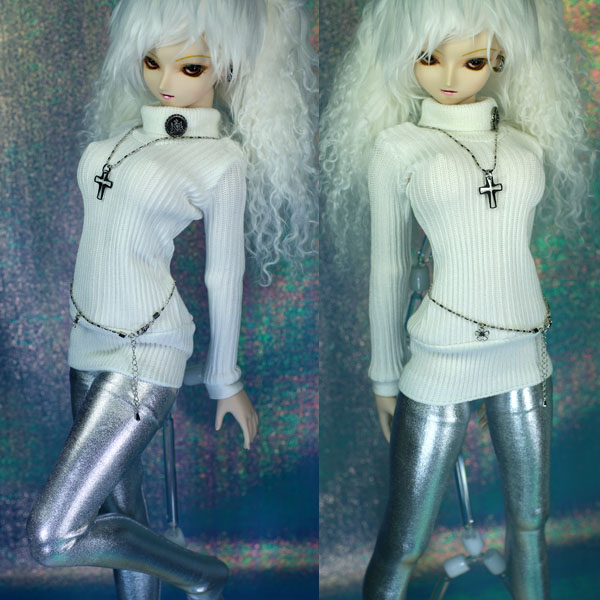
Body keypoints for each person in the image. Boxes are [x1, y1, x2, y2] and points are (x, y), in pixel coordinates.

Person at [26, 1, 317, 599]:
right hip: (86, 342)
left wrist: (225, 379)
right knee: (123, 514)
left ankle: (203, 575)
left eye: (190, 68)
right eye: (152, 62)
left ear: (224, 70)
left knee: (54, 536)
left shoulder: (219, 159)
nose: (164, 81)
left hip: (145, 352)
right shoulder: (121, 141)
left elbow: (223, 274)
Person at [320, 0, 591, 598]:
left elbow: (507, 248)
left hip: (525, 353)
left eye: (471, 61)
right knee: (405, 539)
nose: (448, 76)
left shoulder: (525, 147)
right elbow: (390, 268)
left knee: (532, 521)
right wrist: (384, 376)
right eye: (428, 57)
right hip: (441, 357)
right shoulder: (399, 147)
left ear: (499, 58)